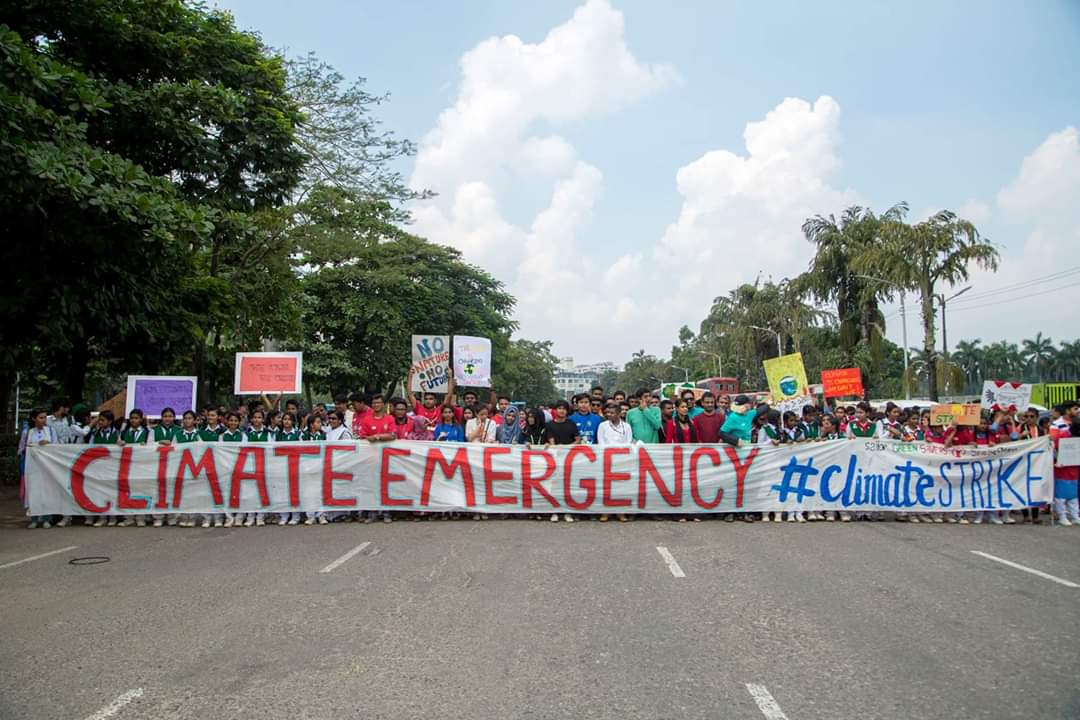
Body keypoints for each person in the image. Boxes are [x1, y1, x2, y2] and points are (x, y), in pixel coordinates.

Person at [19, 409, 56, 529]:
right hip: (32, 467)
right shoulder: (28, 432)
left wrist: (48, 445)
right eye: (41, 417)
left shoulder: (50, 431)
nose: (43, 420)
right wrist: (31, 448)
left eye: (45, 417)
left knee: (47, 492)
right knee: (33, 491)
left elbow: (57, 447)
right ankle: (34, 518)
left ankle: (46, 518)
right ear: (34, 419)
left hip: (47, 467)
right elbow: (21, 449)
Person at [596, 402, 632, 522]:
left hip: (621, 460)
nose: (609, 415)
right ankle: (605, 512)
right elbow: (601, 442)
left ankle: (620, 512)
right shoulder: (603, 425)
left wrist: (620, 454)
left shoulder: (626, 426)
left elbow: (628, 442)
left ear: (618, 413)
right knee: (606, 487)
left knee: (621, 487)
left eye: (612, 413)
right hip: (606, 459)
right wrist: (609, 453)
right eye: (607, 413)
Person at [545, 400, 579, 521]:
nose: (561, 411)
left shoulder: (571, 424)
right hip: (554, 458)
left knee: (567, 486)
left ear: (567, 411)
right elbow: (550, 440)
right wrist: (557, 449)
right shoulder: (549, 424)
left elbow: (577, 439)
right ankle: (554, 511)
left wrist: (567, 448)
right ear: (555, 410)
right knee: (554, 486)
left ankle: (567, 512)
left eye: (564, 408)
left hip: (569, 459)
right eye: (559, 408)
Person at [274, 412, 303, 526]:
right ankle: (284, 515)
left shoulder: (298, 434)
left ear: (293, 422)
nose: (286, 421)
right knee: (282, 492)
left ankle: (295, 515)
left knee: (294, 491)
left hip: (294, 465)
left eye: (289, 419)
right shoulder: (278, 435)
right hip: (281, 465)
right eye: (284, 419)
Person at [1050, 419, 1080, 526]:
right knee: (1061, 495)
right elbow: (1051, 449)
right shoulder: (1061, 437)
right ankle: (1062, 516)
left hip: (1074, 469)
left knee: (1073, 495)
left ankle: (1075, 516)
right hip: (1061, 469)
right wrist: (1056, 460)